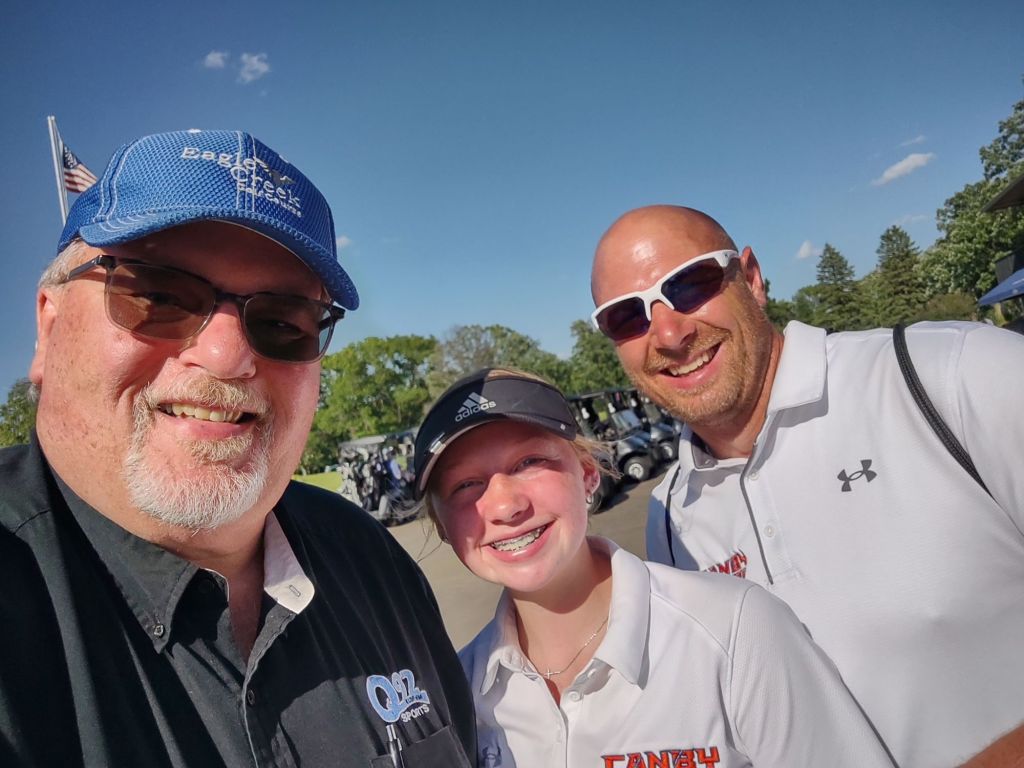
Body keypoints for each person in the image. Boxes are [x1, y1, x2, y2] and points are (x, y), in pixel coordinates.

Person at [0, 129, 475, 767]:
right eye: (158, 296)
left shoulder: (371, 559)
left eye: (282, 321)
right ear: (48, 326)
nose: (228, 356)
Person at [589, 204, 1024, 767]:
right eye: (627, 317)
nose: (669, 334)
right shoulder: (669, 519)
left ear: (751, 278)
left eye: (690, 284)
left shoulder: (951, 374)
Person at [413, 367, 895, 768]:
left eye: (529, 462)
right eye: (466, 486)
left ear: (587, 474)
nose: (505, 505)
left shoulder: (735, 631)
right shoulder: (455, 696)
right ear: (443, 526)